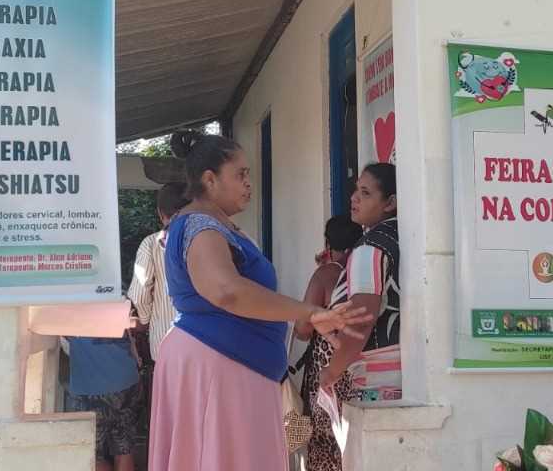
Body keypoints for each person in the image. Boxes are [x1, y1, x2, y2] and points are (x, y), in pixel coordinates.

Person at [147, 130, 374, 471]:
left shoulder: (217, 226)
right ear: (210, 180)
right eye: (240, 175)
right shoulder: (199, 226)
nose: (248, 183)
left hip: (231, 364)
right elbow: (226, 291)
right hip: (218, 364)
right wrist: (310, 312)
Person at [317, 162, 402, 412]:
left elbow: (360, 320)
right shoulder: (401, 237)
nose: (354, 198)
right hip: (405, 374)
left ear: (390, 202)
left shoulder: (370, 249)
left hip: (379, 380)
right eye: (357, 190)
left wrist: (332, 371)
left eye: (366, 193)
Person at [297, 215, 363, 471]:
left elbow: (302, 329)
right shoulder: (366, 273)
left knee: (324, 438)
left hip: (327, 372)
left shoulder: (326, 274)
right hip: (357, 367)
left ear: (328, 243)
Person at [129, 182, 190, 363]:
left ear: (160, 213)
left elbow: (140, 294)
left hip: (165, 342)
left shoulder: (151, 244)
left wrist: (145, 320)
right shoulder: (209, 240)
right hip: (207, 343)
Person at [65, 335, 142, 471]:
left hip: (90, 388)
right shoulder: (118, 311)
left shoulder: (72, 313)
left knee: (90, 454)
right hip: (126, 380)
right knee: (124, 449)